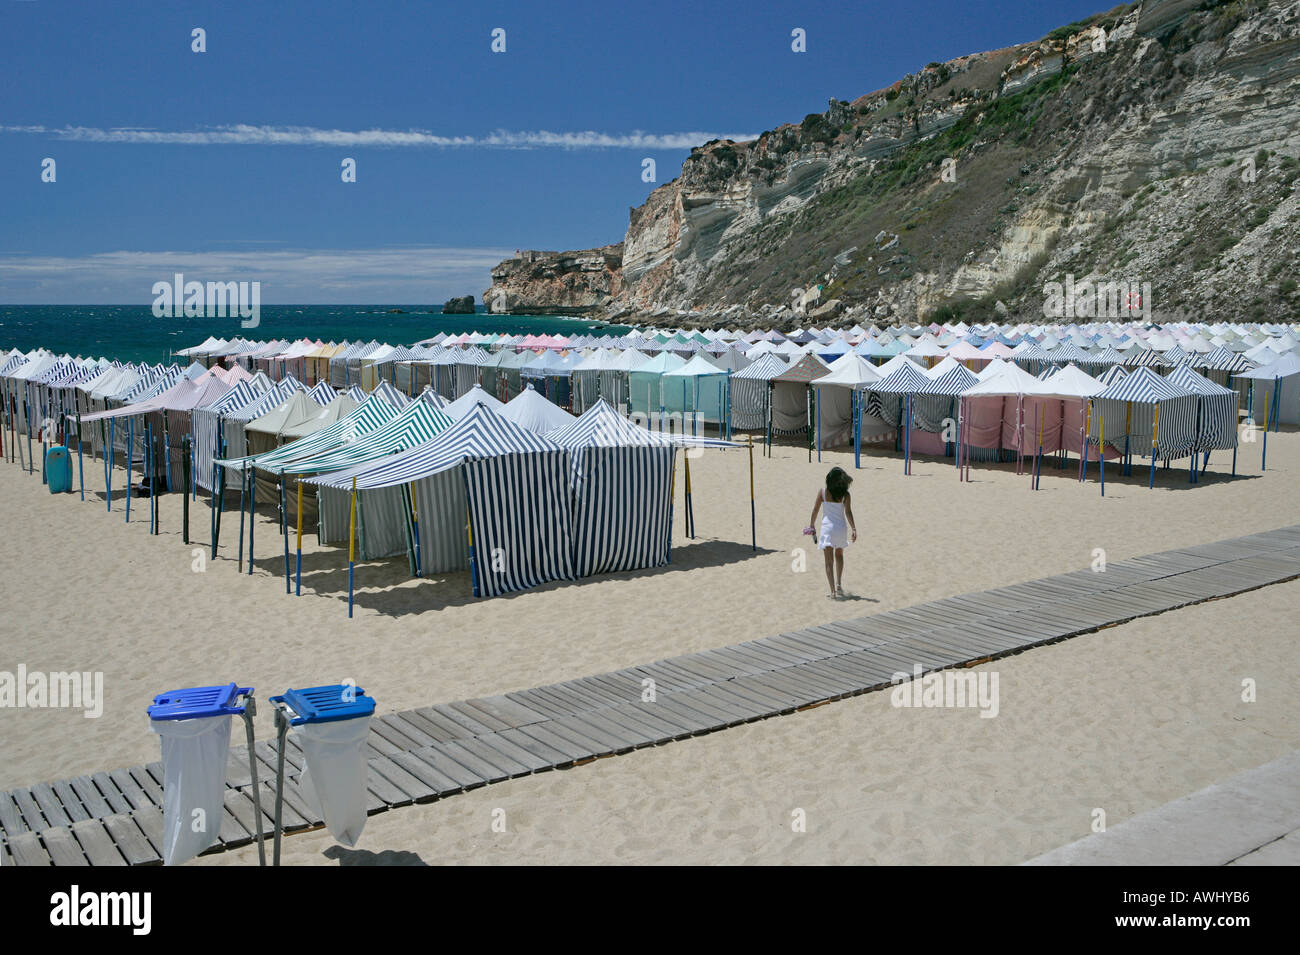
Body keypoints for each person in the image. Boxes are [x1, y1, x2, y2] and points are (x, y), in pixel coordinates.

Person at [806, 466, 857, 598]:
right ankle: (839, 584)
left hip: (827, 529)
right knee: (839, 555)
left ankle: (833, 591)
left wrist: (812, 526)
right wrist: (854, 528)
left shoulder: (823, 492)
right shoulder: (845, 495)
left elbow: (815, 510)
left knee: (828, 561)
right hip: (841, 528)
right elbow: (848, 512)